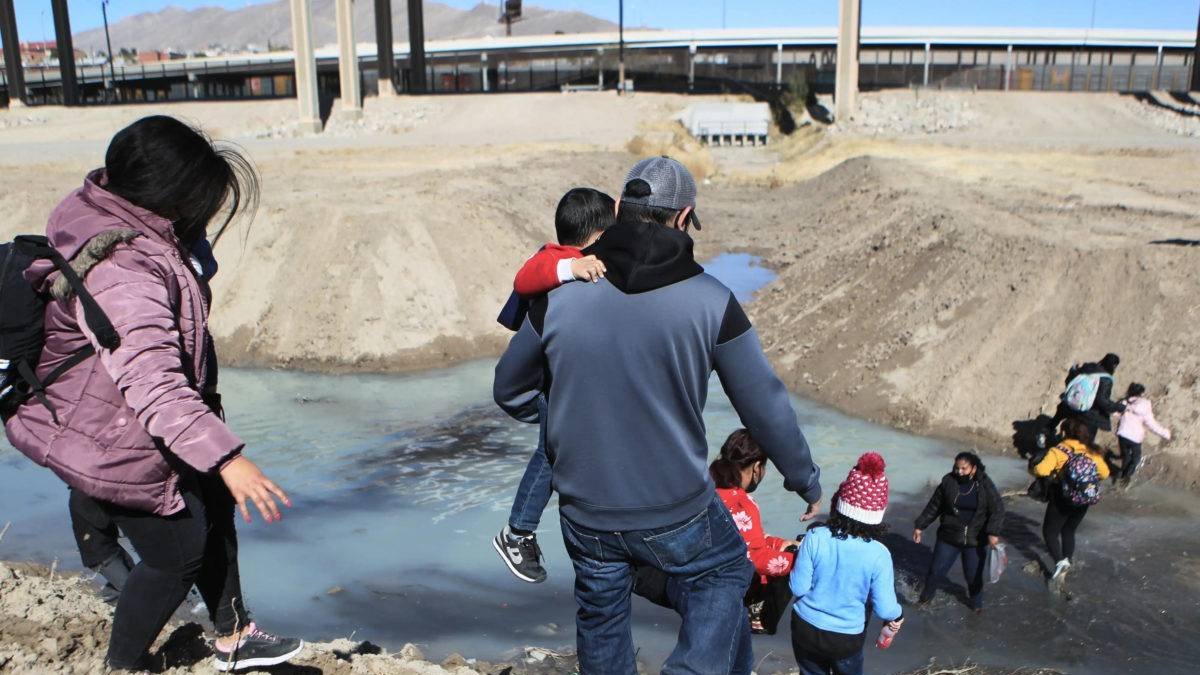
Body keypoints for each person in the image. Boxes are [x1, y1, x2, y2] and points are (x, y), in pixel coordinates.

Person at [494, 156, 822, 675]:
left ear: (621, 208)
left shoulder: (560, 293)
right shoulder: (712, 300)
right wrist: (804, 478)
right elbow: (763, 404)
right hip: (677, 508)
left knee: (601, 620)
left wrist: (576, 416)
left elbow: (509, 391)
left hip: (586, 513)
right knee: (727, 573)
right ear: (684, 216)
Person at [3, 116, 302, 672]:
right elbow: (153, 381)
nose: (205, 216)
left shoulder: (116, 211)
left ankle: (234, 636)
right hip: (110, 433)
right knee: (178, 551)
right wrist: (229, 458)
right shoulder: (124, 269)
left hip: (116, 414)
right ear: (168, 197)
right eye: (199, 202)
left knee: (213, 503)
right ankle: (124, 663)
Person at [493, 187, 614, 583]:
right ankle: (517, 532)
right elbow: (525, 276)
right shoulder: (556, 260)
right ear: (597, 235)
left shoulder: (585, 259)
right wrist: (571, 269)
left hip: (566, 382)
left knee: (563, 452)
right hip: (552, 384)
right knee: (550, 453)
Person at [790, 453, 902, 675]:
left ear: (840, 503)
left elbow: (798, 588)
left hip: (805, 629)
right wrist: (898, 615)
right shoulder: (879, 554)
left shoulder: (815, 536)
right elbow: (884, 608)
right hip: (845, 638)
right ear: (878, 514)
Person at [710, 428, 802, 634]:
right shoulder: (743, 503)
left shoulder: (709, 488)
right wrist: (799, 560)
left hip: (702, 573)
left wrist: (781, 544)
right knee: (789, 564)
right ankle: (758, 619)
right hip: (725, 591)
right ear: (757, 467)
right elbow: (756, 558)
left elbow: (744, 537)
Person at [913, 452, 1005, 612]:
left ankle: (976, 606)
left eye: (964, 468)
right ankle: (924, 600)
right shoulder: (948, 482)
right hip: (948, 537)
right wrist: (920, 526)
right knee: (935, 572)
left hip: (975, 540)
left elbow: (997, 509)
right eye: (957, 468)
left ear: (974, 468)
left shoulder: (984, 484)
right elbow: (935, 506)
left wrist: (993, 533)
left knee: (973, 578)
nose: (959, 472)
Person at [1032, 417, 1110, 582]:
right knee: (1069, 531)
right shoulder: (1091, 451)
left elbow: (1041, 470)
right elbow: (1105, 473)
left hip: (1062, 498)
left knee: (1050, 532)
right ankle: (1067, 560)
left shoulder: (1059, 450)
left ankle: (1060, 562)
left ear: (1065, 432)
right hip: (1084, 498)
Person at [1045, 353, 1125, 439]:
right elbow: (1102, 401)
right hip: (1086, 412)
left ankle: (1046, 433)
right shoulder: (1106, 379)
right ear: (1114, 366)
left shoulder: (1087, 368)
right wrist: (1119, 407)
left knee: (1058, 416)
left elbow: (1068, 380)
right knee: (1090, 434)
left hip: (1069, 404)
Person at [1115, 382, 1171, 484]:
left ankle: (1121, 476)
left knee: (1126, 457)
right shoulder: (1145, 405)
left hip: (1122, 434)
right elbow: (1151, 424)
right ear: (1141, 393)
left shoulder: (1124, 402)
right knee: (1136, 458)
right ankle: (1126, 478)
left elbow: (1115, 413)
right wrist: (1165, 433)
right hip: (1135, 438)